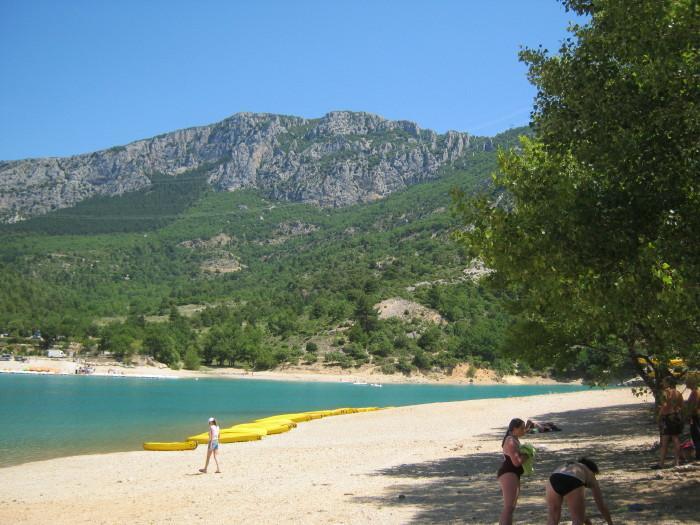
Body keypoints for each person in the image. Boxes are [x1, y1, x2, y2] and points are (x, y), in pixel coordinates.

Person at [545, 458, 613, 525]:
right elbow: (601, 506)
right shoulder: (589, 473)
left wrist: (587, 522)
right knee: (577, 520)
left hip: (553, 479)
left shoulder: (571, 466)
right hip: (573, 479)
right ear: (593, 470)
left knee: (553, 518)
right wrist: (610, 523)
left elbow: (578, 510)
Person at [497, 418, 530, 525]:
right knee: (508, 508)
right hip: (509, 473)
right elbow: (516, 462)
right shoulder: (510, 441)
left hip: (513, 474)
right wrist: (528, 454)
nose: (524, 430)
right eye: (522, 428)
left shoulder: (514, 438)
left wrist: (529, 425)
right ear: (514, 429)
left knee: (510, 508)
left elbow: (524, 431)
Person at [657, 376, 684, 468]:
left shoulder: (665, 392)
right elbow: (681, 406)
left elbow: (664, 405)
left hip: (668, 418)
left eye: (663, 381)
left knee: (664, 441)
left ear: (668, 383)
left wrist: (659, 415)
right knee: (676, 439)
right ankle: (676, 462)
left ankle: (661, 464)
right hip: (676, 417)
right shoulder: (678, 393)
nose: (662, 383)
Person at [685, 376, 699, 461]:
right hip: (695, 416)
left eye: (687, 382)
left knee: (696, 435)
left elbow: (694, 406)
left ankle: (698, 455)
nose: (685, 384)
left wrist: (688, 415)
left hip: (696, 416)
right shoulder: (695, 391)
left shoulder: (695, 392)